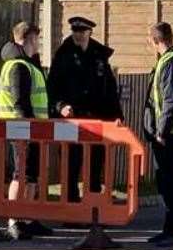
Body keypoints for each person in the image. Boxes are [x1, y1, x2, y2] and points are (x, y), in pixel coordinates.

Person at [47, 16, 123, 201]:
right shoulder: (63, 55)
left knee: (95, 165)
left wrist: (117, 116)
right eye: (75, 31)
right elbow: (52, 88)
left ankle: (93, 209)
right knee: (70, 166)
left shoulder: (99, 56)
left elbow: (110, 89)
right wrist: (60, 106)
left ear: (89, 32)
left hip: (96, 119)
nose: (78, 35)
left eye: (82, 32)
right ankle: (71, 210)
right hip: (72, 120)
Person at [0, 21, 51, 241]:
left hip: (33, 129)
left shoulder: (27, 63)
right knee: (20, 175)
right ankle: (14, 220)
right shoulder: (18, 66)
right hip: (22, 130)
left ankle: (28, 219)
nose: (39, 44)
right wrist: (26, 130)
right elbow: (20, 103)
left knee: (30, 176)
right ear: (29, 39)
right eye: (37, 39)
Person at [143, 22, 173, 247]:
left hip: (169, 133)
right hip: (166, 131)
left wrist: (162, 131)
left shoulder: (171, 62)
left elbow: (171, 100)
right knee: (166, 181)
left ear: (154, 41)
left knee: (170, 182)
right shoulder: (169, 60)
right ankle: (169, 229)